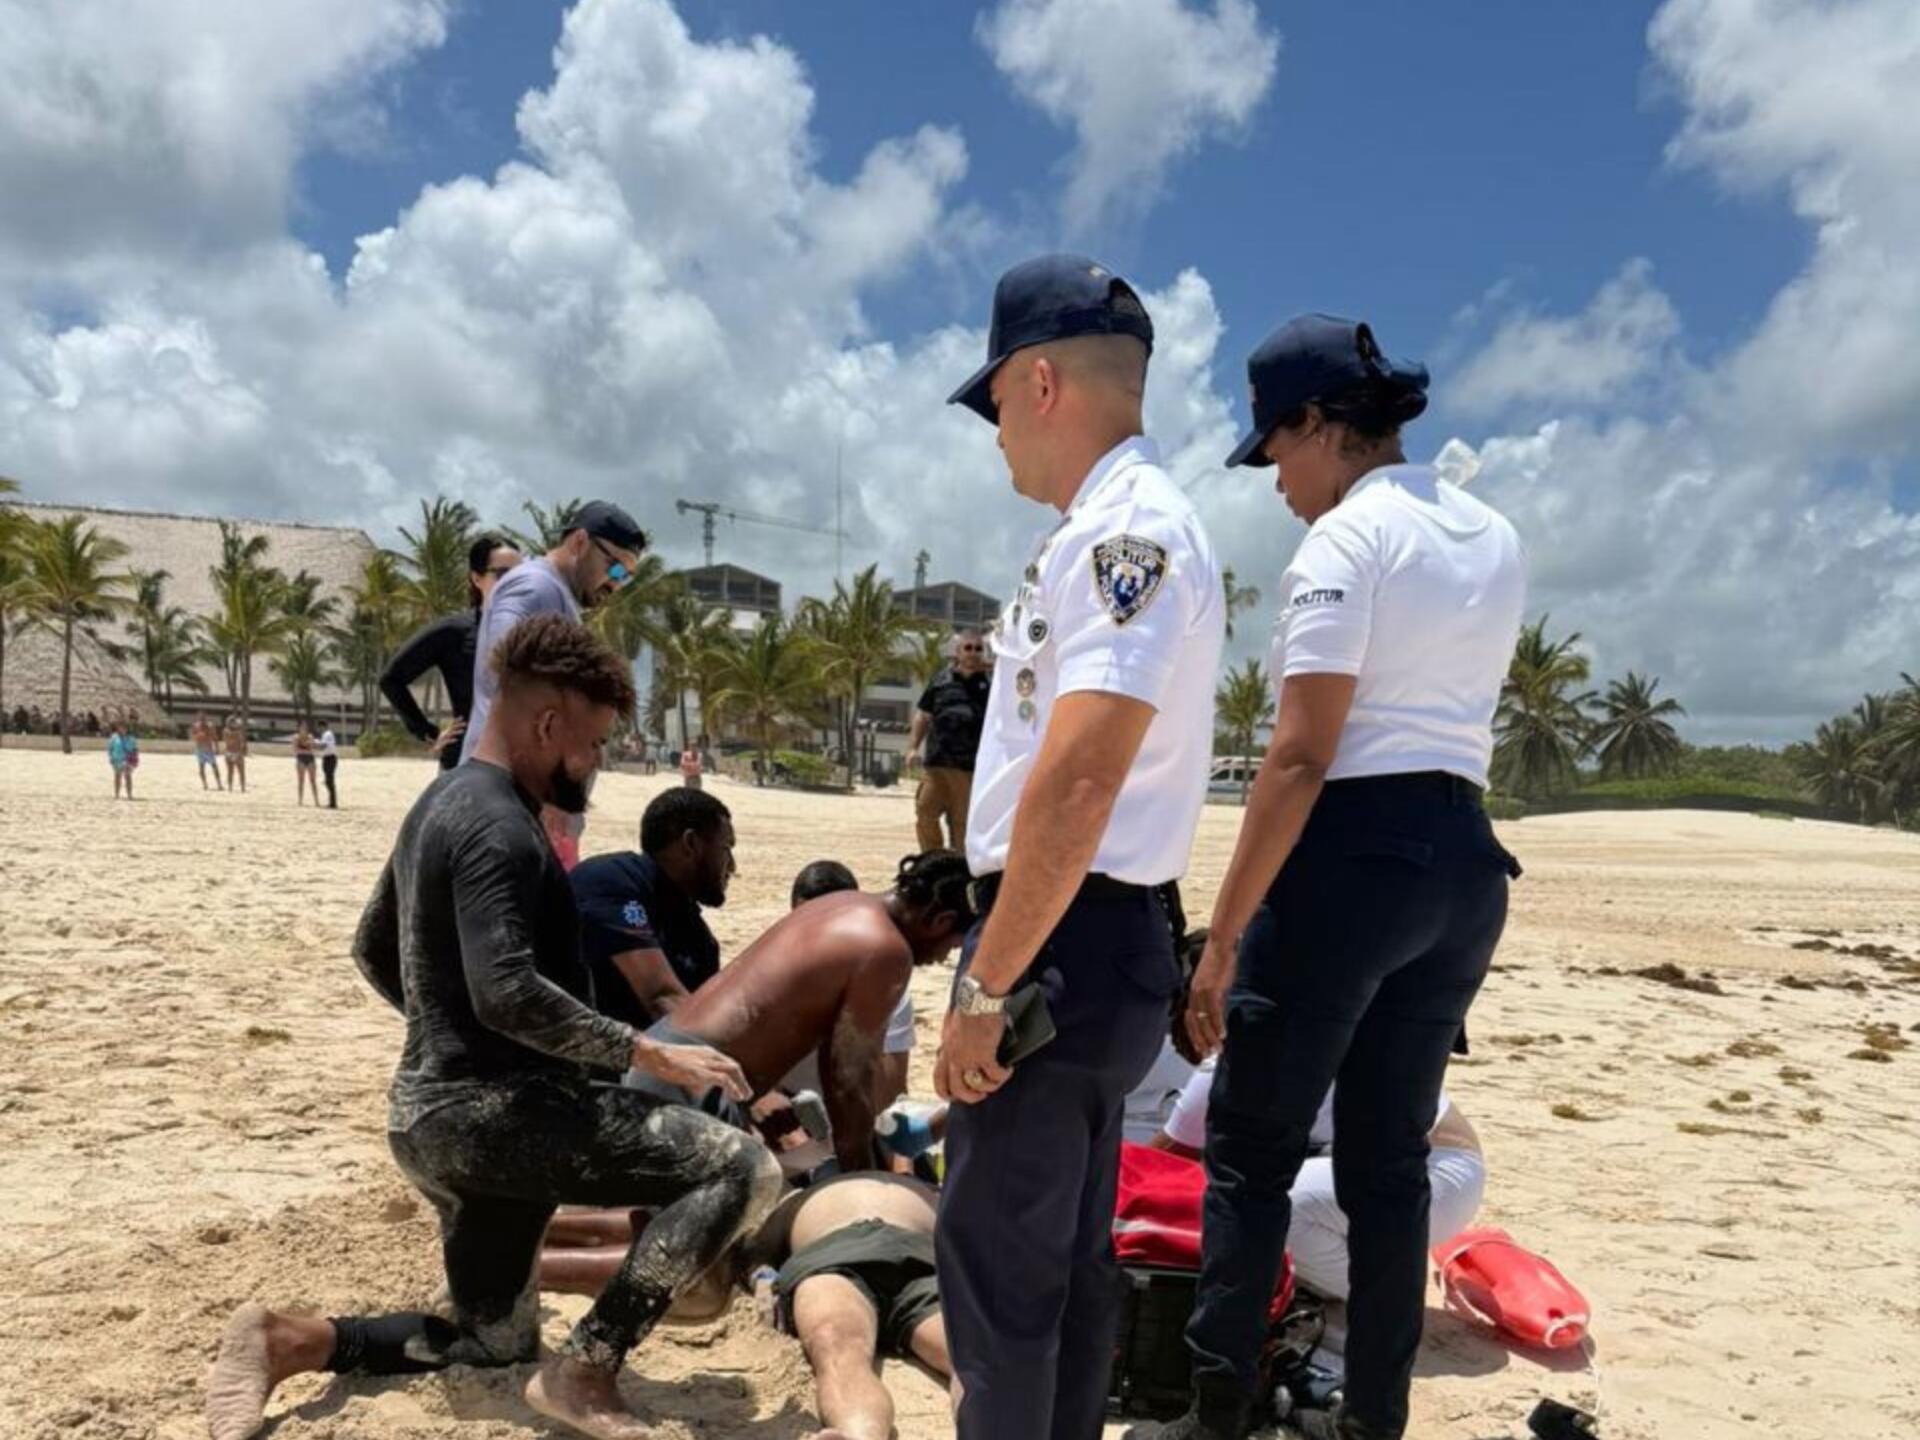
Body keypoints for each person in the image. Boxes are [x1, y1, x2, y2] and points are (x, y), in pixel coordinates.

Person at [204, 615, 781, 1440]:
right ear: (548, 726)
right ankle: (589, 1367)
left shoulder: (440, 801)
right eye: (592, 745)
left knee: (492, 1344)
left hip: (432, 1120)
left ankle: (290, 1338)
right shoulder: (503, 829)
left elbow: (374, 948)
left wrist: (447, 1035)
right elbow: (506, 989)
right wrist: (640, 1048)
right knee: (740, 1169)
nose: (594, 765)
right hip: (497, 1120)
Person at [1160, 315, 1526, 1440]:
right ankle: (1376, 1421)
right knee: (1387, 1165)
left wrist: (1220, 940)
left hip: (1356, 859)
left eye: (1275, 452)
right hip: (1466, 860)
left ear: (1319, 425)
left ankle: (1213, 1415)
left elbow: (1302, 755)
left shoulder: (1343, 544)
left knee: (1252, 1148)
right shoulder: (1491, 532)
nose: (1275, 483)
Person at [935, 253, 1225, 1440]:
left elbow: (1080, 779)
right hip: (1101, 936)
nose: (996, 432)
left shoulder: (1127, 536)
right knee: (1061, 1265)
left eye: (996, 401)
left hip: (1061, 936)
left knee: (1001, 1267)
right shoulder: (1115, 530)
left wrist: (990, 983)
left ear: (1041, 382)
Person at [625, 851, 975, 1175]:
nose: (944, 957)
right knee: (717, 1230)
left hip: (665, 1057)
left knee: (662, 1215)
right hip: (694, 1083)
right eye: (954, 946)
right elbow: (848, 1080)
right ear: (941, 921)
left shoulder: (844, 904)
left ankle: (571, 1231)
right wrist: (862, 1181)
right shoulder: (886, 949)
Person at [541, 1173, 952, 1440]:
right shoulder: (798, 1196)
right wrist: (761, 1277)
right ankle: (858, 1435)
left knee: (971, 1357)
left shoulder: (935, 1186)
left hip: (925, 1264)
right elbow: (753, 1254)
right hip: (834, 1256)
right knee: (837, 1345)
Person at [1154, 1058, 1485, 1305]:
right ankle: (1371, 1266)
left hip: (1435, 1175)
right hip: (1425, 1174)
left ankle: (1373, 1289)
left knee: (1275, 1205)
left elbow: (1159, 1166)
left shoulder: (1223, 1065)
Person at [457, 501, 645, 765]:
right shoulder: (536, 585)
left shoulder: (553, 591)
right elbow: (499, 662)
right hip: (506, 779)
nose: (616, 583)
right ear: (580, 542)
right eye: (614, 568)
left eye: (626, 576)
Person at [570, 788, 735, 1027]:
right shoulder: (611, 880)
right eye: (726, 848)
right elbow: (662, 999)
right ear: (691, 844)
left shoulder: (698, 937)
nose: (732, 866)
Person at [380, 535, 523, 770]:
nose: (514, 583)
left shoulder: (537, 632)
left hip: (522, 768)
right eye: (503, 575)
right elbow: (391, 679)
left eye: (521, 575)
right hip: (462, 765)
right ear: (477, 578)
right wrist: (428, 732)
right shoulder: (454, 631)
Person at [789, 860, 916, 1117]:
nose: (818, 933)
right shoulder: (769, 977)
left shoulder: (888, 987)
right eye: (805, 921)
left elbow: (889, 1093)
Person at [908, 630, 992, 850]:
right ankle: (932, 858)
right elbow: (923, 715)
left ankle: (958, 870)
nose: (973, 653)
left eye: (978, 648)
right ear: (957, 652)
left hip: (968, 769)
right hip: (937, 765)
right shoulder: (940, 681)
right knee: (925, 812)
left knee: (962, 825)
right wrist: (912, 748)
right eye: (968, 648)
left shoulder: (991, 685)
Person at [192, 713, 225, 791]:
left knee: (214, 767)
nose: (202, 720)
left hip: (209, 750)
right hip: (200, 750)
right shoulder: (196, 726)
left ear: (206, 718)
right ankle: (205, 785)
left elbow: (215, 737)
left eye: (203, 718)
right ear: (198, 719)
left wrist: (217, 748)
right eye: (201, 718)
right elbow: (193, 736)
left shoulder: (210, 726)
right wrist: (199, 736)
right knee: (201, 768)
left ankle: (219, 784)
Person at [107, 720, 139, 800]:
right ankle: (117, 794)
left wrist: (135, 759)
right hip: (117, 760)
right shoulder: (114, 737)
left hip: (127, 760)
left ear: (127, 729)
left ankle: (129, 794)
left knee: (128, 777)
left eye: (123, 728)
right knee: (117, 777)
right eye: (120, 728)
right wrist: (110, 757)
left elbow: (135, 750)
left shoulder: (131, 738)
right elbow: (110, 748)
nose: (121, 729)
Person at [292, 723, 319, 807]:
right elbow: (295, 750)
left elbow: (312, 749)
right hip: (301, 759)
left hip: (310, 759)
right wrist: (306, 749)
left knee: (313, 781)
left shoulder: (310, 737)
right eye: (302, 728)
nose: (304, 730)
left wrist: (304, 749)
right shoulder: (296, 737)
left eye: (305, 728)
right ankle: (300, 800)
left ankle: (316, 800)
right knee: (301, 781)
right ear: (299, 729)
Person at [316, 722, 340, 809]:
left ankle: (333, 803)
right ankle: (332, 802)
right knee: (328, 780)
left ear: (322, 726)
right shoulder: (326, 735)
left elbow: (323, 746)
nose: (318, 730)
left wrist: (314, 744)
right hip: (328, 758)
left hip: (330, 758)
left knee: (329, 781)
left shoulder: (327, 734)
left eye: (319, 727)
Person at [223, 716, 248, 793]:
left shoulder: (225, 731)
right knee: (241, 771)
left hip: (228, 752)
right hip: (236, 752)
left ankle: (230, 788)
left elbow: (227, 741)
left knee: (230, 772)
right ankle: (242, 788)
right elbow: (242, 743)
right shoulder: (238, 732)